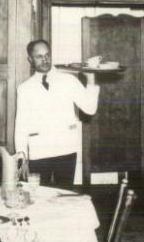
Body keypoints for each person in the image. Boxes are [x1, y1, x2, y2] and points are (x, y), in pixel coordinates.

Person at [14, 39, 99, 190]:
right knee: (38, 197)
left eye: (47, 55)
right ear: (30, 60)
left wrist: (91, 80)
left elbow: (90, 109)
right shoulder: (24, 89)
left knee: (64, 196)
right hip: (39, 150)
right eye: (39, 56)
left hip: (66, 147)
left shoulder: (69, 81)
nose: (45, 60)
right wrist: (22, 157)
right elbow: (21, 126)